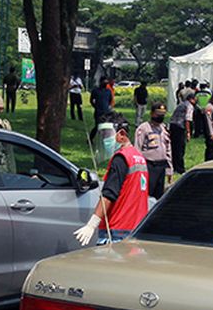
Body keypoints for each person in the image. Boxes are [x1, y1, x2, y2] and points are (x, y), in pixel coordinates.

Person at [73, 114, 149, 245]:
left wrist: (91, 225)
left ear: (121, 134)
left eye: (106, 134)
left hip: (116, 231)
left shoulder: (120, 159)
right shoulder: (138, 157)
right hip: (135, 228)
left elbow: (109, 194)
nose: (104, 139)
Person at [134, 102, 172, 200]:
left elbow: (168, 150)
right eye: (158, 114)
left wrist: (169, 169)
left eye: (162, 114)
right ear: (151, 113)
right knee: (146, 194)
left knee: (159, 196)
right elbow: (137, 149)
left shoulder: (164, 128)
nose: (160, 116)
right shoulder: (144, 128)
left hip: (161, 166)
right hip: (149, 166)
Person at [169, 92, 194, 175]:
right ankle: (180, 168)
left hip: (173, 126)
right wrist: (188, 132)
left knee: (174, 147)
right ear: (191, 99)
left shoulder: (181, 104)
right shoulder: (189, 106)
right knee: (180, 148)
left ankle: (173, 166)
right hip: (180, 127)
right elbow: (187, 120)